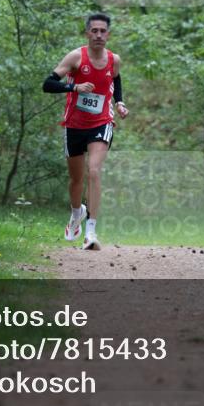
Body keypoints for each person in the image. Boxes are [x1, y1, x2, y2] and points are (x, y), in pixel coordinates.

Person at [41, 13, 129, 250]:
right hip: (74, 125)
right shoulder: (76, 57)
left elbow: (116, 80)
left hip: (102, 122)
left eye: (103, 31)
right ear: (87, 33)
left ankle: (91, 232)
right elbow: (47, 84)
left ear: (108, 34)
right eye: (94, 31)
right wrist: (74, 87)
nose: (99, 35)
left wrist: (120, 103)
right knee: (76, 179)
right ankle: (76, 213)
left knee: (94, 171)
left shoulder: (114, 60)